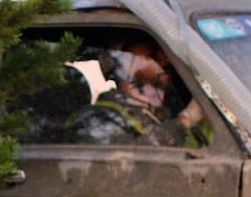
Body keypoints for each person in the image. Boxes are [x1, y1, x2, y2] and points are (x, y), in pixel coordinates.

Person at [65, 37, 210, 148]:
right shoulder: (97, 118)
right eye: (152, 54)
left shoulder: (162, 109)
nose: (166, 60)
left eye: (165, 52)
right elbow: (123, 167)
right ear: (122, 64)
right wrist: (184, 121)